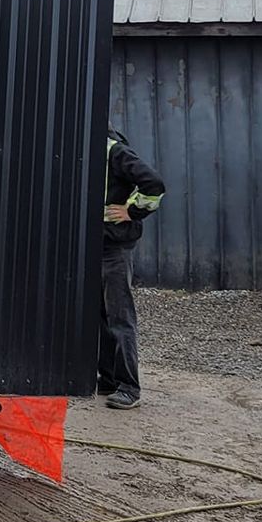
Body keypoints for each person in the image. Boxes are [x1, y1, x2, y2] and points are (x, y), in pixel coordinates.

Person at [99, 128, 165, 409]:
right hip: (99, 244)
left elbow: (154, 185)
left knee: (120, 316)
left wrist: (131, 211)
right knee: (101, 315)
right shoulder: (94, 150)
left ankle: (129, 387)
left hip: (115, 246)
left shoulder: (115, 151)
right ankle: (110, 378)